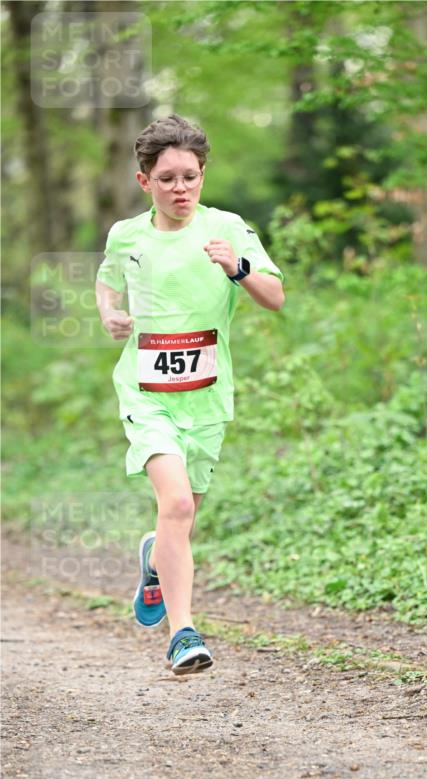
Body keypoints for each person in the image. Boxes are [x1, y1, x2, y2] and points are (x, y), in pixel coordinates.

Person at [95, 114, 285, 675]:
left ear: (203, 176)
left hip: (206, 396)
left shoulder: (227, 228)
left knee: (182, 518)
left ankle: (155, 557)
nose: (181, 189)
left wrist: (237, 267)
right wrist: (109, 312)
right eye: (168, 179)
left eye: (191, 177)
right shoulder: (127, 235)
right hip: (146, 391)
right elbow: (107, 280)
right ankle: (183, 634)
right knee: (175, 504)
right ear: (144, 181)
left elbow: (275, 297)